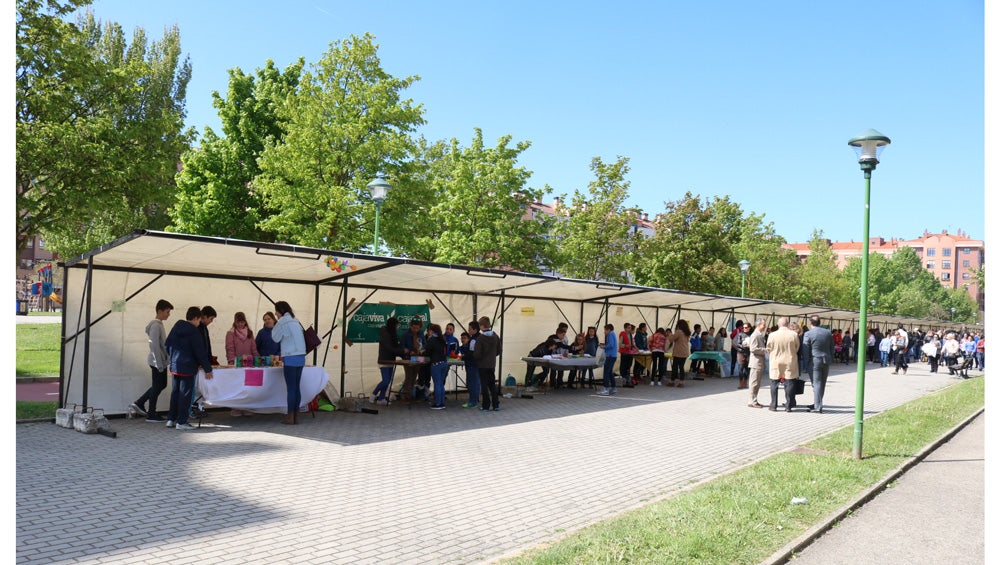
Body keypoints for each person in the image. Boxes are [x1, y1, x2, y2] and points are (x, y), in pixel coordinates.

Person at [165, 306, 213, 430]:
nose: (199, 323)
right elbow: (199, 352)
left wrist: (173, 358)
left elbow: (167, 344)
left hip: (175, 365)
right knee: (185, 395)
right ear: (196, 318)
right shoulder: (194, 332)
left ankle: (171, 419)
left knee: (175, 393)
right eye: (199, 320)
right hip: (187, 367)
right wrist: (208, 368)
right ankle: (182, 421)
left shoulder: (176, 326)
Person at [131, 299, 173, 422]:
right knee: (158, 385)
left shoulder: (159, 324)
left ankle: (140, 403)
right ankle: (151, 413)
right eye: (167, 312)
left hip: (160, 361)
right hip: (157, 362)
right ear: (159, 311)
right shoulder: (155, 325)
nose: (168, 314)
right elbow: (153, 345)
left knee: (160, 385)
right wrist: (159, 364)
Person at [270, 301, 306, 425]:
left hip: (290, 357)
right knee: (296, 387)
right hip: (301, 357)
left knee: (291, 388)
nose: (275, 314)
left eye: (276, 311)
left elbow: (275, 337)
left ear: (280, 310)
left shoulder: (282, 322)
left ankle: (290, 417)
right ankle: (296, 416)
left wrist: (276, 324)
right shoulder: (296, 320)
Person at [801, 315, 834, 414]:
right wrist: (830, 358)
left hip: (814, 360)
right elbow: (832, 347)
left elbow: (805, 349)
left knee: (816, 383)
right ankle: (817, 403)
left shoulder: (808, 334)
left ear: (810, 323)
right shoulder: (828, 332)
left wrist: (806, 363)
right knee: (822, 383)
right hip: (826, 360)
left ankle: (818, 406)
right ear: (820, 322)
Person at [767, 317, 801, 412]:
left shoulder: (772, 335)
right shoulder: (794, 334)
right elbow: (797, 347)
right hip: (790, 360)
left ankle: (773, 405)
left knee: (774, 382)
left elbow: (768, 347)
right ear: (788, 324)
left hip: (775, 360)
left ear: (778, 324)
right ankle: (788, 405)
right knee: (790, 382)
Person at [372, 317, 404, 405]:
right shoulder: (385, 334)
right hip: (384, 361)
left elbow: (395, 347)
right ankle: (374, 394)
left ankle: (381, 399)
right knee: (385, 381)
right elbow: (389, 348)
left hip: (390, 361)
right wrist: (401, 351)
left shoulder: (392, 334)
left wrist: (402, 352)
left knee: (388, 381)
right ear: (393, 325)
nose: (397, 327)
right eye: (396, 325)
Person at [473, 316, 501, 411]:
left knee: (484, 385)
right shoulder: (495, 336)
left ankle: (485, 406)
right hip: (491, 364)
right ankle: (496, 405)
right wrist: (492, 356)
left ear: (481, 326)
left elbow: (477, 354)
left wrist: (478, 359)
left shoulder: (480, 338)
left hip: (482, 365)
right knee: (492, 384)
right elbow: (499, 350)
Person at [400, 318, 426, 402]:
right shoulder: (405, 335)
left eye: (417, 328)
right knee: (409, 376)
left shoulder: (421, 334)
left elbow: (425, 344)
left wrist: (422, 350)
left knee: (414, 376)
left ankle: (409, 394)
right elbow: (402, 346)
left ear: (420, 327)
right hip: (408, 358)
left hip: (418, 357)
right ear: (410, 326)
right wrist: (407, 350)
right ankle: (405, 395)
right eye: (413, 328)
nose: (415, 329)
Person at [425, 323, 449, 410]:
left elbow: (428, 353)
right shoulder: (442, 338)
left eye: (429, 330)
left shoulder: (431, 339)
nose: (428, 332)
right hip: (444, 363)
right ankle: (442, 402)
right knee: (441, 384)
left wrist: (422, 353)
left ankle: (438, 403)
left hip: (436, 364)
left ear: (431, 331)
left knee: (437, 384)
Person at [745, 319, 767, 408]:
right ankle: (753, 401)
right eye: (763, 325)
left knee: (756, 383)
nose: (765, 326)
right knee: (754, 383)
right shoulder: (755, 335)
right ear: (758, 325)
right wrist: (765, 350)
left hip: (759, 362)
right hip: (756, 362)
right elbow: (753, 349)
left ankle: (753, 400)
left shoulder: (759, 334)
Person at [460, 323, 480, 407]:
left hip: (472, 364)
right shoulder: (480, 337)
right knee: (476, 383)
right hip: (478, 364)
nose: (468, 330)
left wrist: (463, 357)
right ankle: (475, 400)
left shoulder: (473, 340)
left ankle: (472, 402)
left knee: (472, 383)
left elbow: (471, 353)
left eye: (470, 329)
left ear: (475, 330)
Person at [666, 320, 692, 387]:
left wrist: (670, 335)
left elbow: (671, 339)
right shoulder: (687, 332)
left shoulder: (679, 332)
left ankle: (672, 381)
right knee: (681, 367)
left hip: (678, 352)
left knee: (675, 367)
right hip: (685, 352)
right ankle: (681, 382)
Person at [598, 324, 618, 396]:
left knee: (606, 372)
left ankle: (606, 389)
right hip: (613, 356)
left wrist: (603, 347)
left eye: (605, 330)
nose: (604, 332)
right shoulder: (613, 334)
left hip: (610, 356)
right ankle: (614, 388)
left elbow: (611, 345)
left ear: (608, 330)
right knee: (610, 372)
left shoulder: (610, 335)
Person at [733, 322, 752, 390]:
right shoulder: (740, 334)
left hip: (748, 353)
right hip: (741, 352)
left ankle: (745, 381)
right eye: (743, 327)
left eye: (746, 327)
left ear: (749, 328)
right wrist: (743, 346)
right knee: (740, 368)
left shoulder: (751, 335)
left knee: (747, 368)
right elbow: (736, 343)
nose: (744, 329)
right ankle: (740, 382)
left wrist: (750, 346)